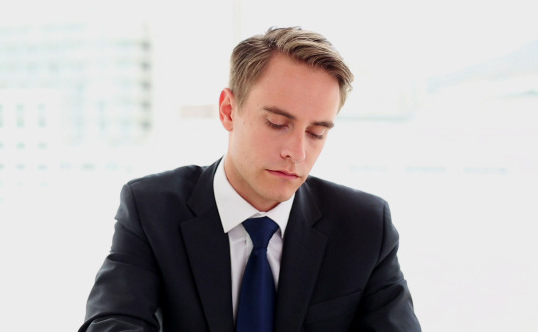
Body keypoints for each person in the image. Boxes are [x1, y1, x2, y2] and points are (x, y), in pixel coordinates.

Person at [79, 27, 421, 332]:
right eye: (276, 123)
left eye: (316, 133)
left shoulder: (364, 225)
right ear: (229, 110)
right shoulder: (151, 208)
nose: (297, 152)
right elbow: (112, 322)